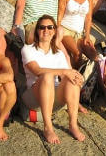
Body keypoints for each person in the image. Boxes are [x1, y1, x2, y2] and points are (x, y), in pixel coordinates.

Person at [21, 15, 85, 144]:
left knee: (71, 80)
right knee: (46, 76)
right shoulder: (28, 49)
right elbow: (37, 71)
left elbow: (68, 75)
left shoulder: (59, 53)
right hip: (34, 96)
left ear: (54, 31)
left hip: (55, 97)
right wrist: (64, 71)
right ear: (37, 31)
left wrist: (78, 78)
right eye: (42, 27)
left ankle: (73, 125)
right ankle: (48, 128)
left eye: (50, 27)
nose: (46, 30)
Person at [58, 0, 98, 69]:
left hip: (79, 33)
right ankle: (75, 79)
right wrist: (58, 32)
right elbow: (59, 16)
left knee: (94, 55)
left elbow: (88, 18)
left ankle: (98, 83)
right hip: (66, 30)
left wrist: (87, 35)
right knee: (77, 53)